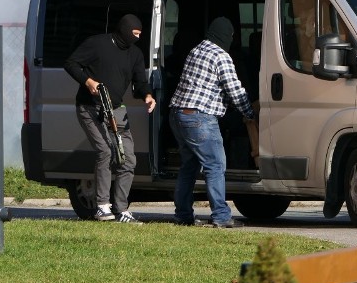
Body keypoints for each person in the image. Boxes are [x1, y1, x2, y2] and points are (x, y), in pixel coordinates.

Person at [64, 14, 156, 224]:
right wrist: (88, 82)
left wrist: (148, 96)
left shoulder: (135, 53)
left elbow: (140, 82)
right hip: (90, 108)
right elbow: (71, 63)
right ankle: (102, 206)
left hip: (116, 109)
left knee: (128, 158)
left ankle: (122, 209)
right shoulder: (97, 44)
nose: (136, 39)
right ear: (124, 30)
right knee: (105, 151)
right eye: (134, 34)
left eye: (139, 35)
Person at [169, 17, 255, 228]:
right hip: (200, 117)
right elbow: (234, 90)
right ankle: (221, 216)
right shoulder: (220, 56)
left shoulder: (196, 50)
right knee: (215, 165)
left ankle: (183, 215)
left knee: (189, 166)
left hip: (178, 115)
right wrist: (250, 113)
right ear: (226, 35)